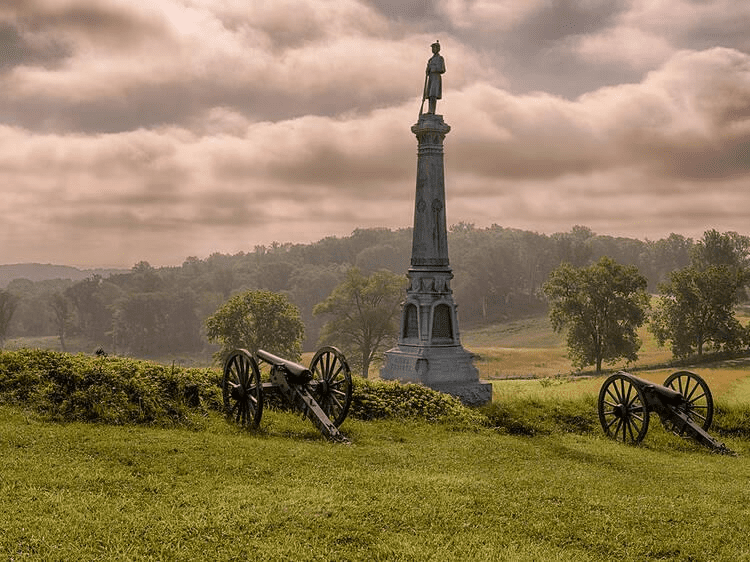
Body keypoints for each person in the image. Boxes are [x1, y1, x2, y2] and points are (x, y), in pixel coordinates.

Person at [424, 41, 445, 114]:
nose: (432, 49)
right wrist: (427, 71)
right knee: (429, 95)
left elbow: (443, 69)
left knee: (433, 94)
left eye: (434, 48)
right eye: (432, 48)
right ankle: (430, 110)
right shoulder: (430, 59)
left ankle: (432, 111)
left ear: (438, 49)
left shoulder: (440, 58)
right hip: (431, 78)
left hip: (436, 77)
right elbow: (427, 71)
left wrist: (434, 69)